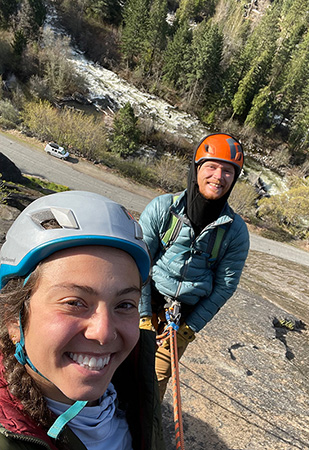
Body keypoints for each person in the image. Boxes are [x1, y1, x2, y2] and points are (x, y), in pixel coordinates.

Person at [0, 191, 165, 450]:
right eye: (74, 303)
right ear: (13, 317)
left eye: (124, 305)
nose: (103, 333)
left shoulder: (134, 381)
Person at [139, 133, 250, 400]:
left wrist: (189, 329)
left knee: (155, 382)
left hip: (180, 320)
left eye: (228, 171)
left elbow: (225, 286)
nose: (218, 176)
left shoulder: (235, 231)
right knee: (118, 367)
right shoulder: (163, 209)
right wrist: (142, 315)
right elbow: (139, 261)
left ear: (234, 179)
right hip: (144, 301)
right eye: (211, 167)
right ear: (196, 168)